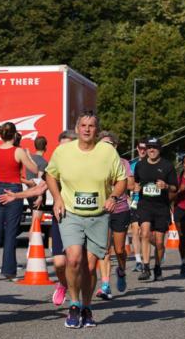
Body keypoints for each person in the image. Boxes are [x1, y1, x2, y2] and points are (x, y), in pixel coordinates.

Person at [45, 113, 127, 328]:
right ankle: (74, 304)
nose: (87, 129)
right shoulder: (63, 151)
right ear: (77, 128)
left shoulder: (107, 152)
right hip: (71, 214)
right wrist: (57, 198)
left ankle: (87, 307)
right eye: (83, 125)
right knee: (73, 259)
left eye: (91, 126)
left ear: (96, 130)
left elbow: (121, 180)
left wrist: (113, 197)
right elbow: (50, 175)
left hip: (98, 215)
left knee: (90, 267)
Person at [2, 130, 77, 306]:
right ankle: (63, 284)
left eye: (67, 147)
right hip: (62, 217)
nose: (63, 150)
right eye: (61, 147)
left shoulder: (86, 166)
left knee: (78, 262)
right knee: (59, 263)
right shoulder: (54, 168)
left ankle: (78, 302)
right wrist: (16, 196)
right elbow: (39, 188)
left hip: (83, 219)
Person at [0, 122, 38, 281]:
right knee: (10, 232)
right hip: (14, 190)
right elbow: (34, 170)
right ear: (15, 135)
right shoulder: (18, 151)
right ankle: (8, 270)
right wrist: (27, 155)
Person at [133, 137, 178, 281]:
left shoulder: (167, 165)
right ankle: (146, 267)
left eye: (154, 147)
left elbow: (175, 187)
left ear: (160, 149)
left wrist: (166, 186)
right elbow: (135, 182)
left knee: (159, 242)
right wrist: (135, 188)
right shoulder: (140, 165)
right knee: (144, 232)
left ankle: (157, 266)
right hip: (145, 205)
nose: (151, 150)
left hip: (161, 207)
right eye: (149, 147)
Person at [96, 131, 132, 299]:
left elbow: (130, 184)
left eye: (109, 145)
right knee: (104, 249)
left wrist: (118, 175)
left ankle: (121, 270)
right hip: (102, 211)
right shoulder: (95, 163)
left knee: (119, 249)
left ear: (115, 146)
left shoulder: (123, 163)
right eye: (102, 145)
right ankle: (105, 285)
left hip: (120, 209)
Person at [128, 140, 148, 271]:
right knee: (135, 230)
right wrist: (128, 196)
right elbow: (126, 182)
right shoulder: (132, 165)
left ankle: (158, 248)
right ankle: (138, 261)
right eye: (140, 148)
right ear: (137, 148)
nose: (142, 150)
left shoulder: (151, 164)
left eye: (145, 148)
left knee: (146, 233)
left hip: (148, 201)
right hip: (135, 201)